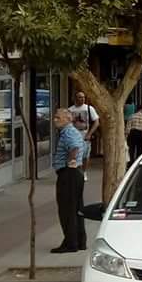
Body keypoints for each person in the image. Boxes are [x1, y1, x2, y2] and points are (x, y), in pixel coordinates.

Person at [51, 108, 86, 253]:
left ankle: (71, 243)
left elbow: (75, 147)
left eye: (58, 118)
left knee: (67, 210)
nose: (55, 120)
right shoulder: (73, 132)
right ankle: (79, 241)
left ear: (67, 119)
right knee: (76, 209)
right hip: (75, 173)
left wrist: (71, 162)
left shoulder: (69, 132)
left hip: (69, 174)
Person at [68, 92, 100, 180]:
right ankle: (74, 173)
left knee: (85, 156)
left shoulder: (89, 109)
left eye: (83, 97)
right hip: (73, 137)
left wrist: (89, 134)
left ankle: (84, 172)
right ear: (75, 98)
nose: (82, 99)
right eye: (79, 97)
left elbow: (96, 122)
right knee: (73, 155)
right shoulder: (70, 110)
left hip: (85, 136)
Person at [125, 103, 142, 168]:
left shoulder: (131, 116)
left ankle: (130, 162)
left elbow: (128, 127)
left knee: (131, 149)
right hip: (140, 133)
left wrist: (126, 135)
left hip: (132, 133)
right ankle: (137, 163)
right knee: (139, 149)